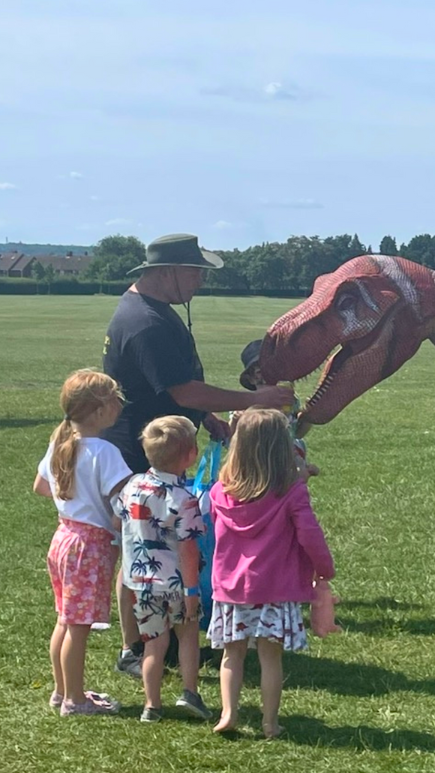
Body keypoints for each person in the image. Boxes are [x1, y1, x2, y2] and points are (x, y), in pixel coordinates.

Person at [101, 233, 293, 676]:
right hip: (141, 453)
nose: (200, 283)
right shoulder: (145, 322)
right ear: (167, 272)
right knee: (141, 553)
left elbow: (175, 386)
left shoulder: (152, 312)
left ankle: (155, 642)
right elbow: (180, 389)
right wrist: (254, 399)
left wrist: (208, 420)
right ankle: (139, 647)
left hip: (162, 445)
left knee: (154, 549)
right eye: (195, 273)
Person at [207, 408, 335, 738]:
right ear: (282, 448)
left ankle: (229, 713)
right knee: (270, 658)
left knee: (231, 654)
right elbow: (310, 534)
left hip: (231, 587)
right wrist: (324, 570)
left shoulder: (221, 492)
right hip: (275, 588)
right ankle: (269, 722)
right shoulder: (291, 492)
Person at [34, 370, 131, 717]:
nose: (120, 405)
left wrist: (73, 499)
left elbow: (41, 486)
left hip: (64, 537)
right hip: (89, 547)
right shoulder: (105, 452)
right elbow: (123, 501)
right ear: (99, 412)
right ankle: (75, 699)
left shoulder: (60, 443)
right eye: (114, 399)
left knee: (65, 620)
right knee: (78, 625)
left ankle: (63, 691)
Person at [115, 416, 211, 723]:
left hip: (142, 583)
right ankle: (190, 693)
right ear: (191, 455)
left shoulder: (132, 486)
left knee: (153, 644)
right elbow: (188, 549)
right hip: (178, 585)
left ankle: (151, 705)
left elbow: (120, 520)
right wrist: (193, 591)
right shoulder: (184, 500)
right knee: (187, 637)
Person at [236, 339, 319, 479]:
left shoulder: (290, 400)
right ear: (251, 379)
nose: (269, 375)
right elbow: (237, 441)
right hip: (259, 464)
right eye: (260, 372)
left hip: (289, 458)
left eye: (274, 368)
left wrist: (309, 417)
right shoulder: (246, 406)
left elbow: (297, 433)